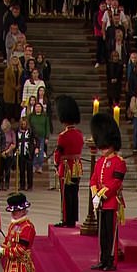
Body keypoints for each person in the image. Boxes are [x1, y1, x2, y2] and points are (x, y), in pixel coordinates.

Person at [90, 113, 126, 271]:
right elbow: (93, 180)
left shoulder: (119, 162)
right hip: (100, 204)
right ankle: (103, 259)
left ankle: (111, 260)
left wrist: (100, 195)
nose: (102, 148)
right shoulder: (99, 162)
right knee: (102, 234)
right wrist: (94, 196)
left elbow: (116, 183)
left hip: (111, 203)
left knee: (111, 234)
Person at [54, 96, 84, 228]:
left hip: (66, 167)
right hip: (77, 166)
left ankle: (66, 219)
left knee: (66, 195)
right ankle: (73, 218)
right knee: (74, 193)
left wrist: (56, 164)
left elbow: (58, 153)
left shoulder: (63, 136)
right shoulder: (79, 133)